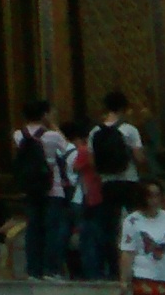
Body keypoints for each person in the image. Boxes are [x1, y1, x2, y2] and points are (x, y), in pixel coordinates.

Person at [9, 100, 70, 282]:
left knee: (33, 228)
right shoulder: (52, 136)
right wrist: (53, 126)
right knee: (52, 230)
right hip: (53, 187)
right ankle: (50, 269)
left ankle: (33, 270)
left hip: (31, 189)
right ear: (44, 114)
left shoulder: (18, 135)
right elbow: (68, 149)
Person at [91, 92, 144, 273]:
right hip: (128, 180)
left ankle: (114, 267)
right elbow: (139, 157)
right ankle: (139, 262)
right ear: (123, 108)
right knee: (137, 220)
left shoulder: (95, 132)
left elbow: (92, 162)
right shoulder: (129, 129)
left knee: (109, 226)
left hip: (107, 183)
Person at [61, 119, 105, 280]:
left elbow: (75, 169)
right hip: (97, 196)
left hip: (82, 198)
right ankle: (97, 270)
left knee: (85, 237)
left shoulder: (83, 151)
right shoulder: (95, 151)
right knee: (95, 235)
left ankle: (87, 271)